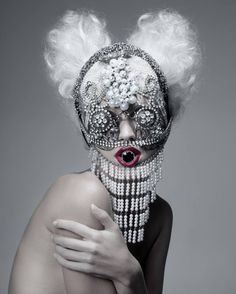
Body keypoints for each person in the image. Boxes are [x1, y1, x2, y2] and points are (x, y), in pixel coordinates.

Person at [8, 9, 201, 294]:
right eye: (105, 119)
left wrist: (131, 273)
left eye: (142, 115)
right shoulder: (80, 194)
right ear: (86, 126)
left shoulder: (160, 216)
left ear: (168, 116)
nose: (126, 134)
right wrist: (131, 279)